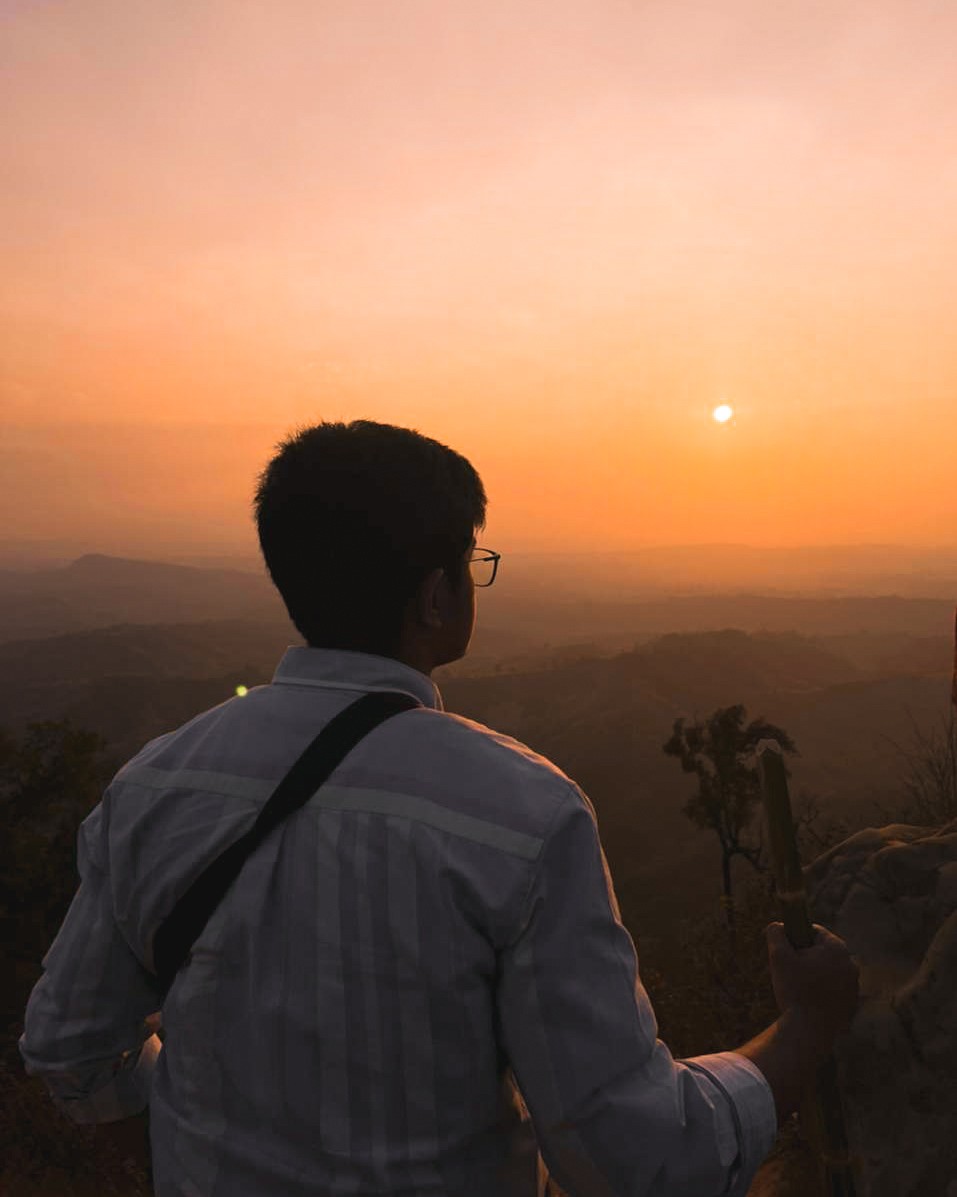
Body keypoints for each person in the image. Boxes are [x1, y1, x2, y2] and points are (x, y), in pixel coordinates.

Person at [20, 419, 859, 1196]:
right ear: (433, 596)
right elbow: (630, 1154)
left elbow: (70, 1047)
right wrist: (801, 1030)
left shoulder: (155, 786)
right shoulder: (522, 813)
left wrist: (203, 1132)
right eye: (470, 561)